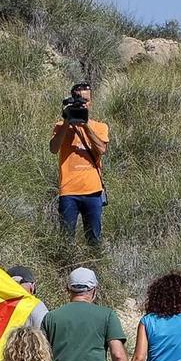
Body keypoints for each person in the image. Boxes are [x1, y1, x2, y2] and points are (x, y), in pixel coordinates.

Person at [49, 82, 111, 247]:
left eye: (86, 101)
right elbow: (54, 149)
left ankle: (94, 268)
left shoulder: (100, 126)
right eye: (79, 100)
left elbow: (101, 149)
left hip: (93, 191)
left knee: (94, 240)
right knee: (66, 240)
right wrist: (66, 123)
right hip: (69, 191)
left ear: (90, 102)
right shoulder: (60, 126)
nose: (83, 104)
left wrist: (85, 125)